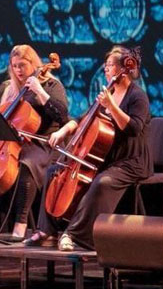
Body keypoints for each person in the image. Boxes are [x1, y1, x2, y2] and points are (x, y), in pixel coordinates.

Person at [27, 45, 151, 251]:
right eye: (106, 65)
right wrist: (63, 131)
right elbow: (84, 119)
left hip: (130, 161)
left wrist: (111, 106)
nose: (106, 69)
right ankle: (46, 230)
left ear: (124, 69)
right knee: (53, 172)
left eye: (110, 65)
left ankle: (74, 235)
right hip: (106, 160)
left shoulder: (137, 96)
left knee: (102, 183)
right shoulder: (107, 93)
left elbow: (134, 129)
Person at [0, 44, 68, 240]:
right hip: (14, 143)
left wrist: (39, 91)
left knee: (25, 166)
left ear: (33, 64)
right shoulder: (7, 87)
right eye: (14, 66)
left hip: (45, 143)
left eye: (22, 65)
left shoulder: (51, 85)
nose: (18, 70)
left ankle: (20, 225)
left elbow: (62, 115)